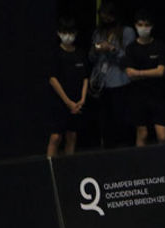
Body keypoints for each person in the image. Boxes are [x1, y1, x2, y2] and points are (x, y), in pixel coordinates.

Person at [89, 2, 136, 148]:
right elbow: (90, 58)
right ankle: (107, 150)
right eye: (102, 16)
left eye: (108, 16)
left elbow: (128, 58)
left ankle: (123, 150)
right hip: (101, 82)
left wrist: (112, 49)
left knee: (121, 120)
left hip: (120, 82)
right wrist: (96, 50)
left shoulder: (127, 32)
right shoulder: (98, 33)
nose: (105, 19)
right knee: (104, 121)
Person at [124, 9, 165, 146]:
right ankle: (140, 165)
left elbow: (161, 72)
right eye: (140, 24)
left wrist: (140, 73)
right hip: (138, 96)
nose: (143, 28)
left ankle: (163, 164)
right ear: (136, 25)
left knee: (162, 136)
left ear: (152, 26)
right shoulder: (131, 48)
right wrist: (150, 73)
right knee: (142, 133)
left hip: (157, 95)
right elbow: (130, 74)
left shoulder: (160, 46)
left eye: (146, 25)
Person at [47, 17, 89, 157]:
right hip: (61, 102)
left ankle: (68, 169)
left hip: (77, 103)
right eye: (65, 32)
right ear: (59, 33)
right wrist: (67, 102)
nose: (68, 36)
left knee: (72, 136)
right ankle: (50, 169)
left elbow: (85, 78)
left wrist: (82, 99)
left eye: (71, 33)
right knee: (56, 137)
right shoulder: (56, 53)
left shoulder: (80, 53)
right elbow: (53, 79)